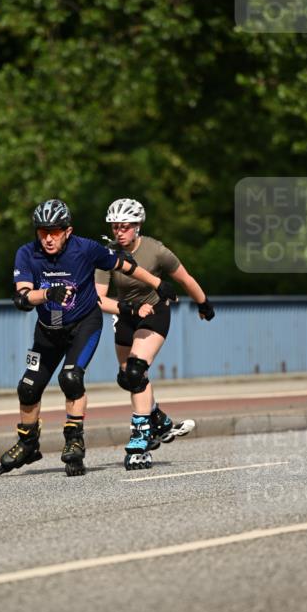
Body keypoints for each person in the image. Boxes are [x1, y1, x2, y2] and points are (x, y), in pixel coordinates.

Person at [0, 198, 178, 478]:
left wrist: (158, 284)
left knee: (70, 378)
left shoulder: (86, 248)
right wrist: (46, 294)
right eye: (42, 231)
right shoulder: (26, 253)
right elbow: (22, 297)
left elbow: (125, 265)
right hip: (47, 330)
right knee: (28, 387)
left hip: (83, 325)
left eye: (55, 231)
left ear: (68, 231)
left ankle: (74, 441)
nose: (48, 238)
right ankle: (28, 444)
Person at [95, 197, 215, 468]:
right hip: (126, 313)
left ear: (137, 226)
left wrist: (203, 303)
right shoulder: (107, 256)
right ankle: (158, 419)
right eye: (115, 227)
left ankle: (140, 435)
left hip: (155, 312)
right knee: (128, 378)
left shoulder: (156, 250)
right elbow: (99, 299)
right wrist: (127, 309)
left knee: (137, 370)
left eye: (125, 226)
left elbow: (184, 278)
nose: (119, 232)